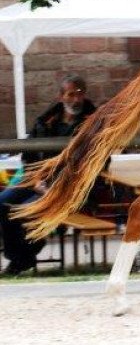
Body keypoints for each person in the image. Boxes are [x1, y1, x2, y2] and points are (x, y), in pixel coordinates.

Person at [0, 75, 96, 275]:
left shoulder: (93, 123)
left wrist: (55, 186)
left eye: (80, 94)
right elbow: (29, 158)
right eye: (71, 94)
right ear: (61, 96)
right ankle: (21, 256)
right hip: (38, 180)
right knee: (3, 202)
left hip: (71, 187)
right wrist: (36, 180)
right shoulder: (45, 122)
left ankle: (21, 259)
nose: (76, 99)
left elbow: (94, 163)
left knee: (24, 210)